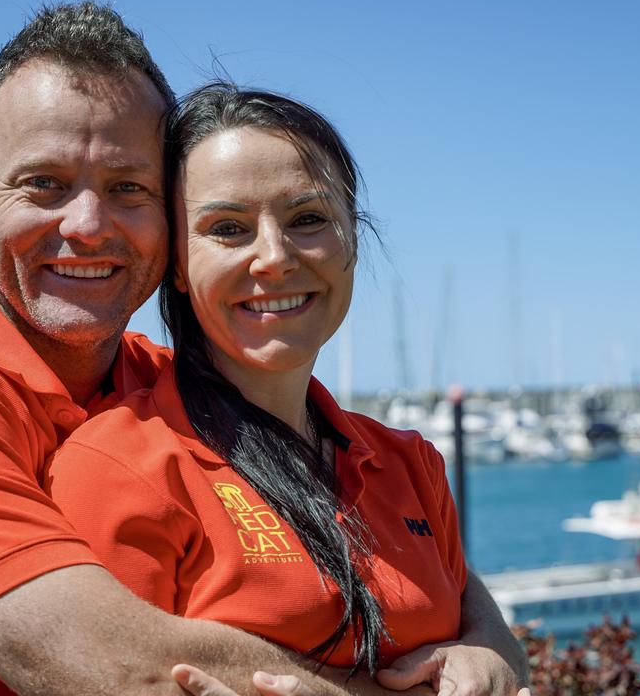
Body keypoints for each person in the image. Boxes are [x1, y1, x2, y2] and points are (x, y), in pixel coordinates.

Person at [0, 2, 529, 696]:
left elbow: (437, 569)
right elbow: (122, 666)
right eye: (45, 184)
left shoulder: (167, 388)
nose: (87, 224)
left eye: (128, 187)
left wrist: (493, 644)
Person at [46, 83, 526, 692]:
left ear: (352, 239)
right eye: (227, 228)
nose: (274, 257)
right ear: (177, 264)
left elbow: (473, 631)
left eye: (307, 219)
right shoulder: (121, 468)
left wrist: (493, 651)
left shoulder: (413, 466)